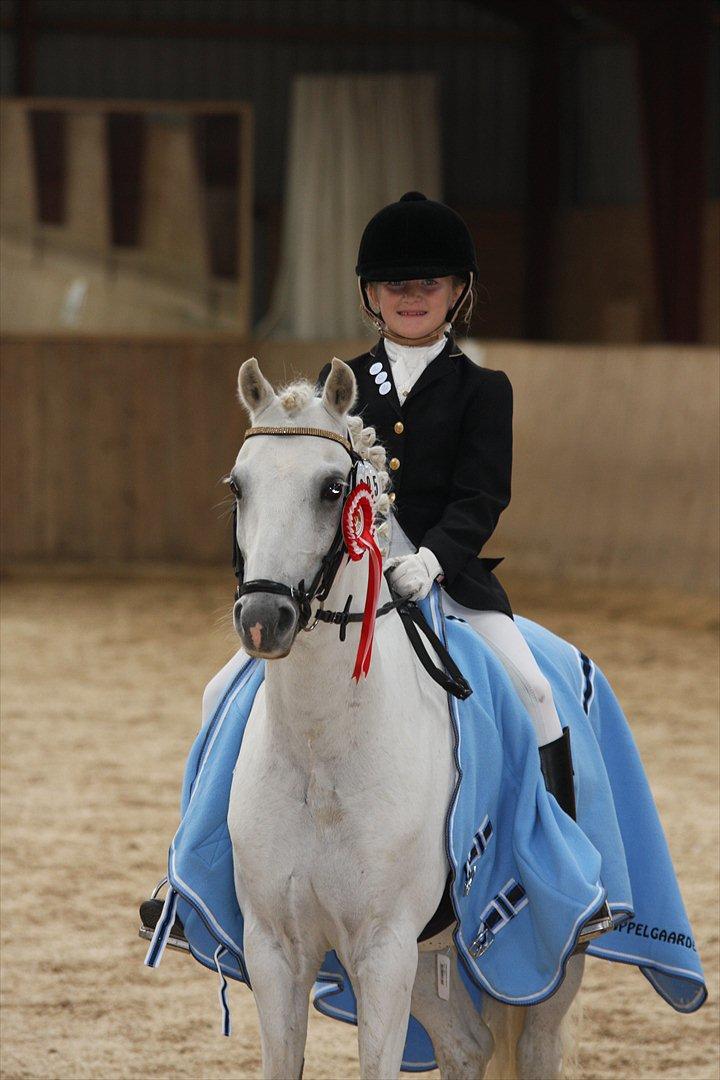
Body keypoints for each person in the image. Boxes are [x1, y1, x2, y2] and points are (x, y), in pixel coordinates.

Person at [317, 191, 611, 943]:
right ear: (369, 295)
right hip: (348, 589)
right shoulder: (338, 385)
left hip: (450, 584)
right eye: (395, 285)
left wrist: (432, 561)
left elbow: (484, 497)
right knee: (231, 689)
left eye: (430, 284)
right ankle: (195, 876)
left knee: (536, 689)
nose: (411, 298)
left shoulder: (484, 389)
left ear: (459, 293)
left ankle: (564, 879)